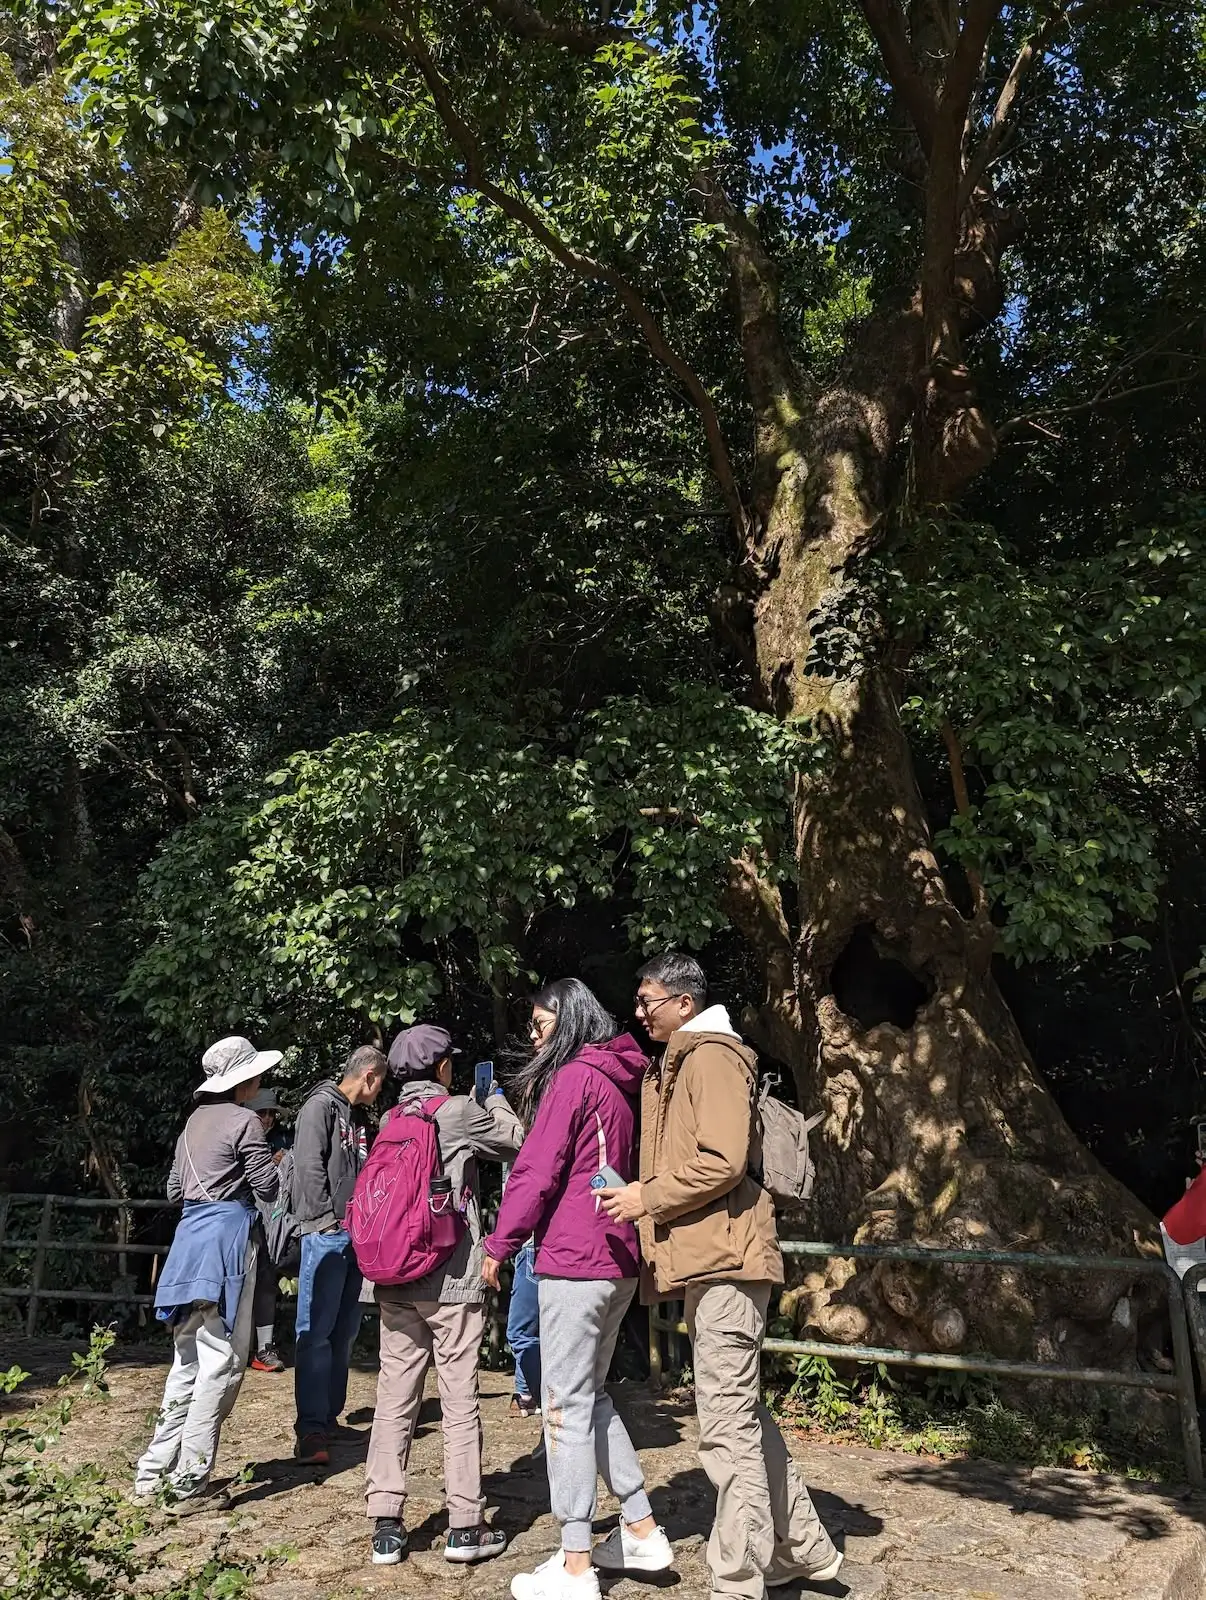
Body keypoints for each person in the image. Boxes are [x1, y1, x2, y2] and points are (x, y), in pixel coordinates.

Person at [601, 952, 842, 1597]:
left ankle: (738, 1577)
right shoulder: (694, 1060)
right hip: (717, 1259)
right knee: (740, 1414)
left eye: (648, 999)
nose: (641, 1012)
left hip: (728, 1261)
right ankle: (803, 1550)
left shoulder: (710, 1057)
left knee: (724, 1424)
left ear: (684, 1002)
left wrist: (645, 1197)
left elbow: (723, 1161)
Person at [483, 979, 674, 1600]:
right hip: (617, 1256)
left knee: (562, 1406)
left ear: (568, 1021)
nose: (536, 1036)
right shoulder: (622, 1079)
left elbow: (538, 1168)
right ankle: (641, 1528)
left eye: (541, 1025)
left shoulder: (573, 1078)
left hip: (574, 1256)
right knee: (589, 1396)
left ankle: (574, 1565)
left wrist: (499, 1244)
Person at [364, 1023, 524, 1567]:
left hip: (393, 1279)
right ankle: (464, 1526)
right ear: (441, 1068)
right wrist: (495, 1098)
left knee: (395, 1395)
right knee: (459, 1400)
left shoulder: (389, 1119)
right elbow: (515, 1141)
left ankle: (386, 1523)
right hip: (451, 1278)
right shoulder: (455, 1110)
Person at [134, 1035, 281, 1510]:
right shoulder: (245, 1122)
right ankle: (190, 1481)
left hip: (188, 1245)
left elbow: (176, 1190)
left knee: (186, 1364)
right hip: (228, 1244)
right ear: (246, 1079)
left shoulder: (190, 1126)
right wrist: (276, 1163)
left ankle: (152, 1475)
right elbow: (268, 1188)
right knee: (221, 1364)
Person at [292, 1044, 387, 1465]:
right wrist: (326, 1222)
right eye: (380, 1082)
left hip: (357, 1237)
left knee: (343, 1330)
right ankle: (310, 1429)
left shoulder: (360, 1118)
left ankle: (328, 1417)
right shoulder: (320, 1108)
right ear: (369, 1075)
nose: (380, 1091)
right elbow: (308, 1166)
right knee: (315, 1332)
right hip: (327, 1235)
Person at [246, 1088, 293, 1374]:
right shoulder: (237, 1137)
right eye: (261, 1113)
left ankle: (264, 1348)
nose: (266, 1118)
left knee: (266, 1279)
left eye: (270, 1114)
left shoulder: (279, 1141)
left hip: (267, 1224)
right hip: (237, 1220)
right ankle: (228, 1347)